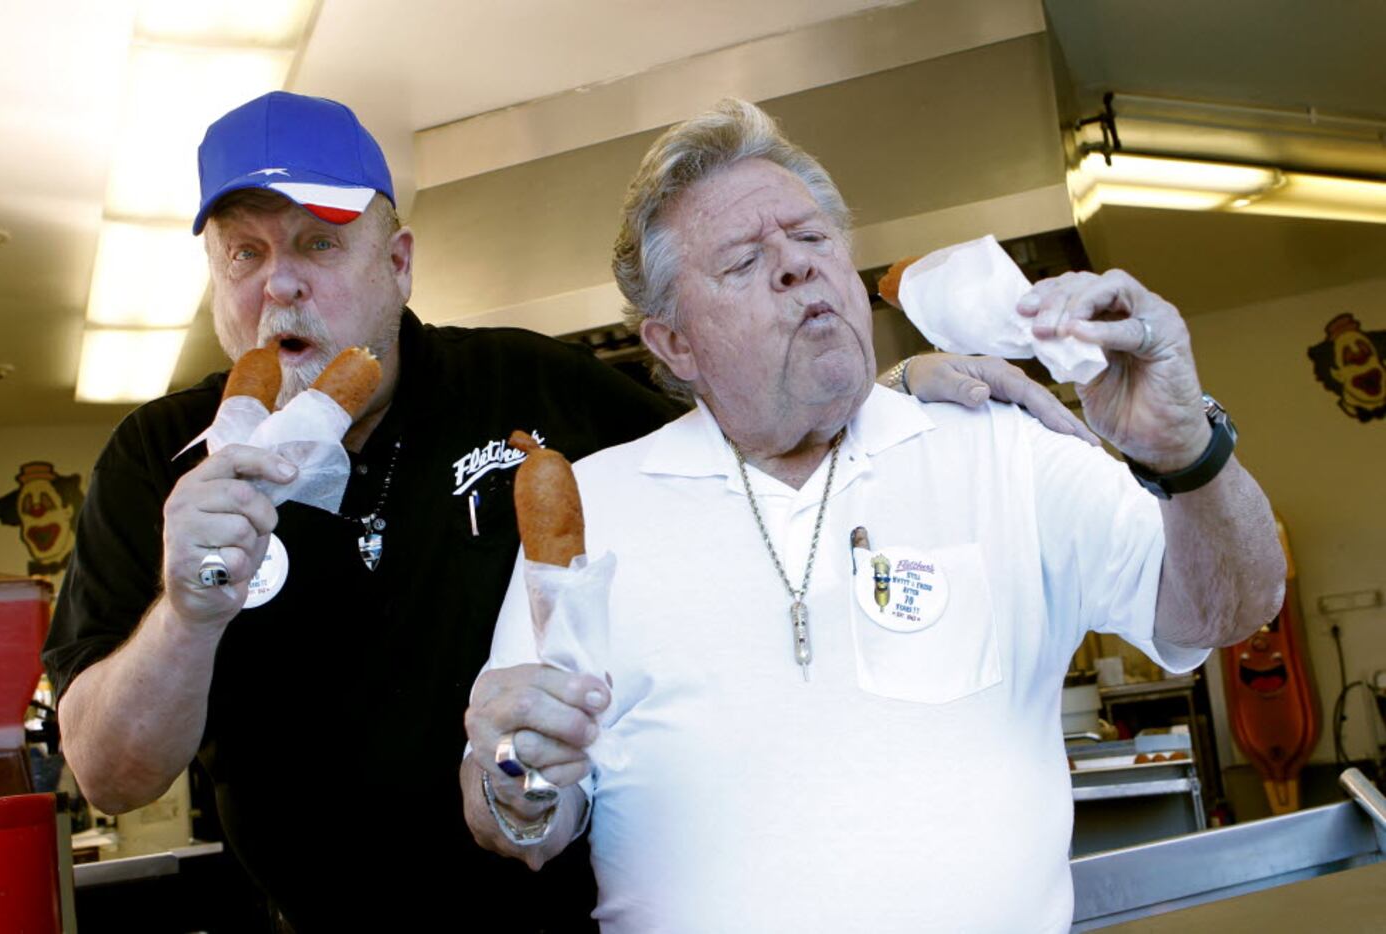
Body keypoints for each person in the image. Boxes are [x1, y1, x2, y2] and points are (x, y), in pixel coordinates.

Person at [42, 90, 1086, 930]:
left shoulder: (524, 387)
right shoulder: (152, 463)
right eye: (245, 253)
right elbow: (110, 772)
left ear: (397, 263)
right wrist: (188, 610)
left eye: (318, 245)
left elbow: (742, 426)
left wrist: (884, 391)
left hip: (566, 907)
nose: (279, 288)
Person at [461, 99, 1285, 932]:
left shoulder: (1001, 447)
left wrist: (1187, 453)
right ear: (673, 344)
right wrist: (512, 777)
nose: (797, 266)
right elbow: (526, 822)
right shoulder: (598, 506)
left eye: (812, 238)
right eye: (744, 261)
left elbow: (1229, 608)